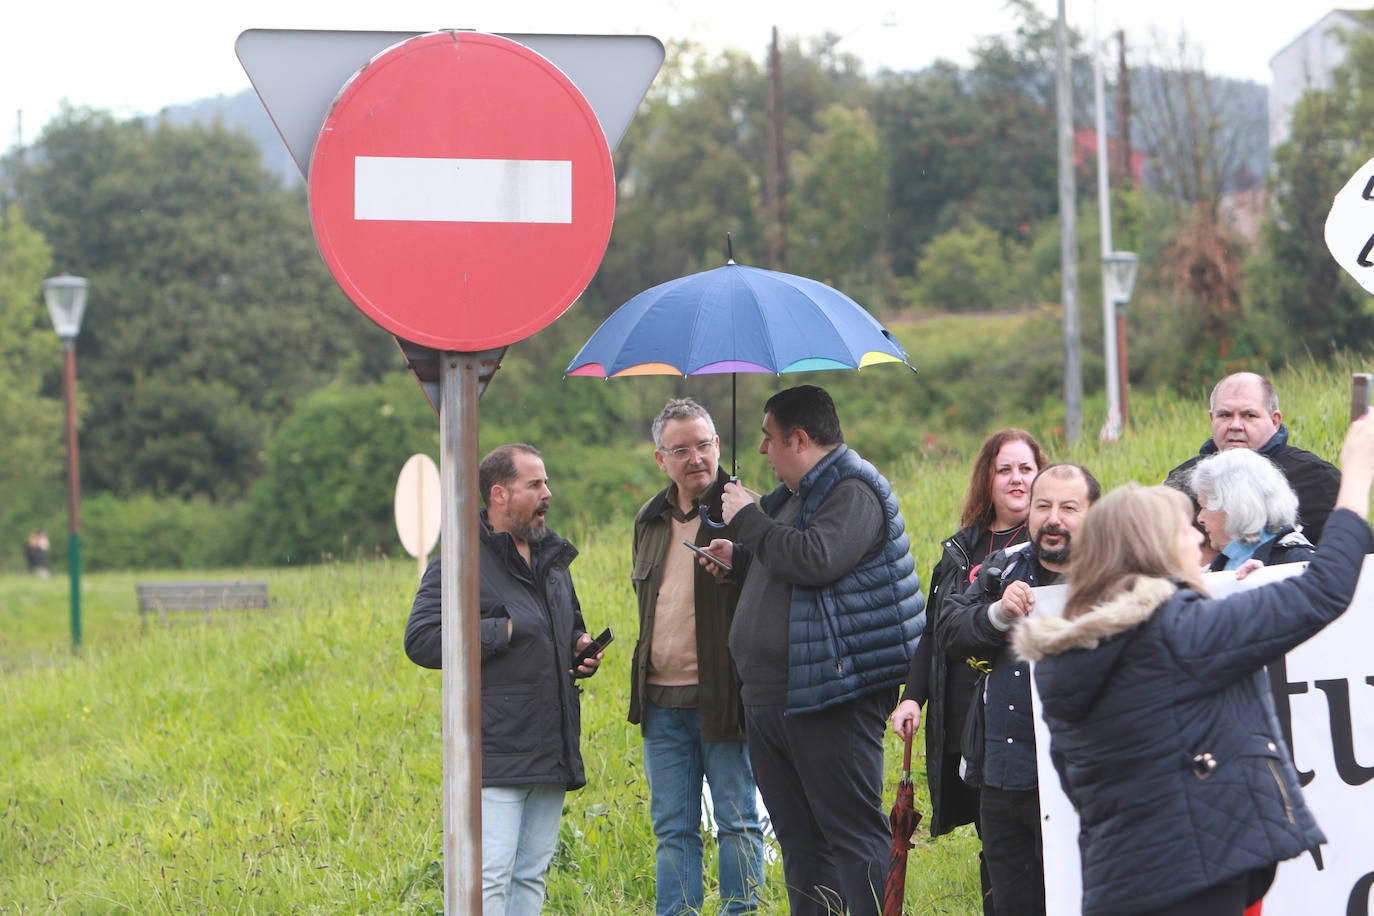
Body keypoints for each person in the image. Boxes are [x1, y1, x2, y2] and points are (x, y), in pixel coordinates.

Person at [1012, 413, 1374, 916]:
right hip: (1197, 879)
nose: (1199, 534)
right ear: (1156, 550)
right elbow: (1326, 589)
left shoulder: (1068, 656)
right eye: (1185, 528)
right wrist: (1357, 475)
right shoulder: (1178, 632)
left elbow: (1079, 785)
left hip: (1124, 882)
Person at [702, 384, 925, 916]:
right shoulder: (796, 495)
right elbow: (788, 566)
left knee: (850, 836)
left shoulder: (853, 489)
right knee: (800, 842)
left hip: (831, 693)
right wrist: (741, 554)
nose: (762, 450)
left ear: (799, 439)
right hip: (773, 696)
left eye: (769, 438)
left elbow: (817, 558)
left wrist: (748, 519)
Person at [404, 443, 603, 916]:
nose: (547, 493)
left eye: (546, 482)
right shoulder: (461, 558)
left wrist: (579, 646)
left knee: (531, 875)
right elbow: (422, 639)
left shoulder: (551, 557)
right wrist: (499, 631)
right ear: (499, 493)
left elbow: (567, 623)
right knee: (488, 878)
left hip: (551, 742)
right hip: (496, 750)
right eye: (534, 485)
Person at [891, 428, 1047, 915]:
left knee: (1038, 851)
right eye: (1006, 470)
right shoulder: (961, 549)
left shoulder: (1053, 544)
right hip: (967, 722)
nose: (1017, 479)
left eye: (1026, 469)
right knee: (994, 847)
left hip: (1026, 725)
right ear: (988, 479)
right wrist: (914, 696)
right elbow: (935, 632)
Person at [937, 463, 1101, 916]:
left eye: (1069, 508)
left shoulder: (1115, 576)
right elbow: (948, 630)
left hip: (1083, 785)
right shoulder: (1003, 567)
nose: (1054, 519)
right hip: (1005, 778)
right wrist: (997, 615)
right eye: (1043, 505)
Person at [629, 398, 765, 916]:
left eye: (704, 444)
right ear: (660, 459)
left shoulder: (747, 511)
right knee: (672, 830)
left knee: (737, 822)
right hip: (661, 702)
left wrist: (743, 566)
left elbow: (775, 593)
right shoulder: (649, 520)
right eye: (680, 449)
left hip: (725, 698)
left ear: (718, 445)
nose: (696, 458)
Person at [1166, 372, 1340, 542]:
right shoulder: (1183, 481)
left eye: (1249, 415)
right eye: (1225, 415)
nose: (1235, 425)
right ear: (1212, 418)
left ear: (1274, 420)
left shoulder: (1317, 478)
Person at [1191, 446, 1316, 573]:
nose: (1200, 518)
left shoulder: (1297, 561)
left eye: (1204, 506)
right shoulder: (1223, 563)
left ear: (1234, 507)